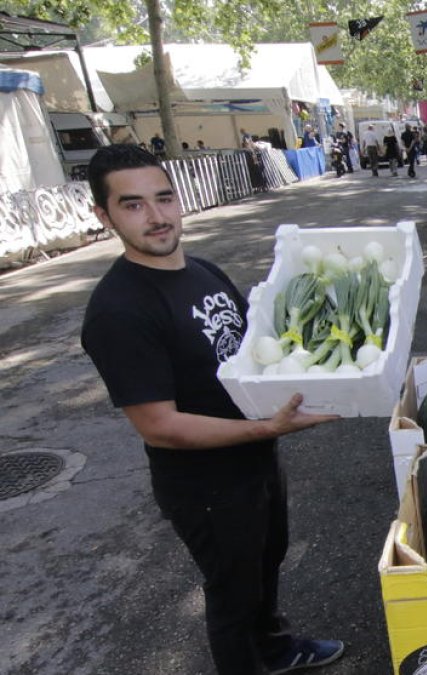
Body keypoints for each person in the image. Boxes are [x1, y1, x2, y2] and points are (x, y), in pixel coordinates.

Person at [80, 145, 344, 675]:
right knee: (232, 595)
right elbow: (160, 427)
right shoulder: (119, 310)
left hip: (255, 456)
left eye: (163, 198)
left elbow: (254, 351)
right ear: (103, 216)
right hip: (205, 485)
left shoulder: (201, 270)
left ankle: (275, 649)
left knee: (266, 565)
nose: (156, 217)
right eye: (132, 205)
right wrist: (266, 426)